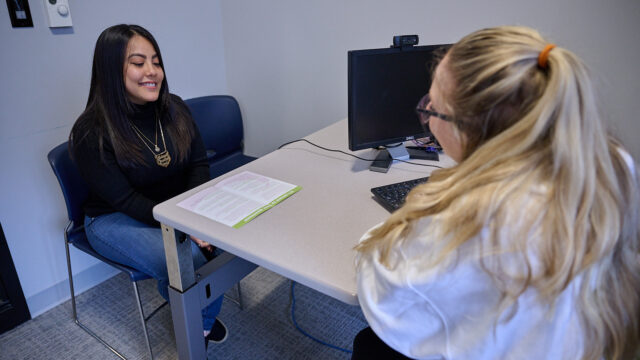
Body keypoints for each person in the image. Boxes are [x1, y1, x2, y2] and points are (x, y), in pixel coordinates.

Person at [353, 26, 639, 360]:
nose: (428, 120)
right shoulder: (613, 164)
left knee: (371, 344)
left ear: (472, 130)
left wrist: (409, 217)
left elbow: (384, 295)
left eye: (432, 109)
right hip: (597, 338)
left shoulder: (478, 216)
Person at [69, 24, 227, 345]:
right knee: (191, 263)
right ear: (112, 70)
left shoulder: (175, 108)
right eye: (138, 63)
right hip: (113, 218)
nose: (152, 71)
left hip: (172, 208)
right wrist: (184, 228)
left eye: (156, 61)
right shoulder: (91, 131)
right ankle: (200, 328)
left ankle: (194, 313)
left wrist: (194, 216)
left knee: (225, 243)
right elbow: (125, 199)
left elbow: (198, 164)